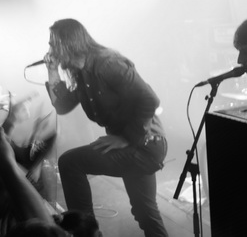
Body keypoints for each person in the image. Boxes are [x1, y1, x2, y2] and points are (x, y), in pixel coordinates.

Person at [44, 18, 168, 237]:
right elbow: (62, 106)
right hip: (135, 146)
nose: (50, 49)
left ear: (68, 43)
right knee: (145, 212)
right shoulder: (81, 73)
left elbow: (150, 100)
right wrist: (52, 71)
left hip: (145, 144)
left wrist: (126, 138)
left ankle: (85, 233)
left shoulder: (107, 63)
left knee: (70, 163)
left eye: (53, 44)